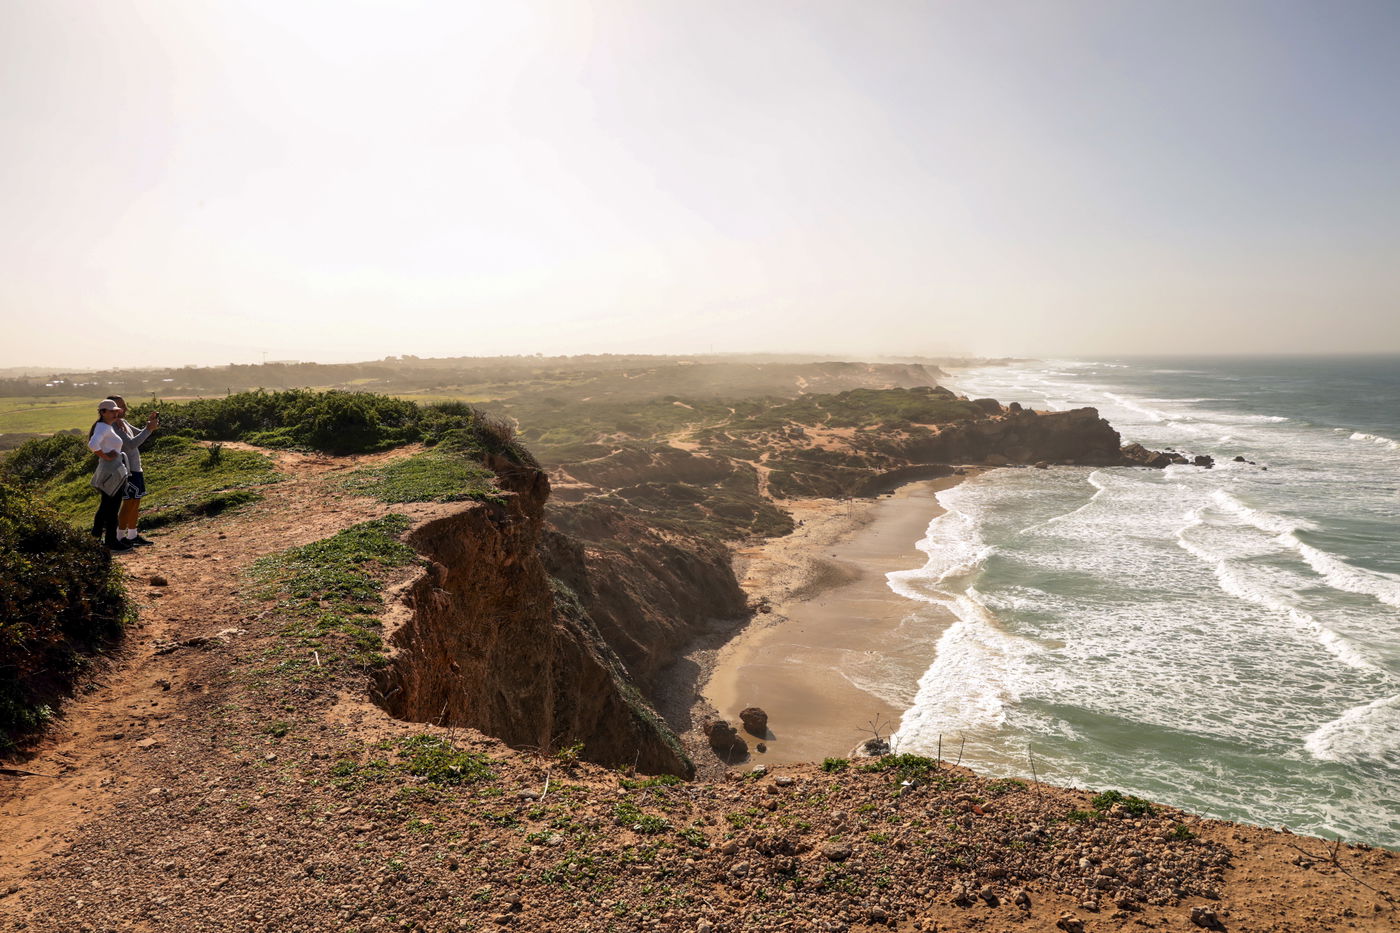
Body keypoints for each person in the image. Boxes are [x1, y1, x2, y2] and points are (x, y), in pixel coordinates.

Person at [103, 395, 159, 546]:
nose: (125, 409)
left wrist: (149, 426)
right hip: (126, 469)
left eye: (124, 405)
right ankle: (120, 536)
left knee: (135, 501)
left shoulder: (123, 422)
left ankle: (132, 535)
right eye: (121, 406)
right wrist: (148, 429)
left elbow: (140, 434)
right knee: (128, 502)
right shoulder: (114, 426)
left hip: (135, 467)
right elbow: (131, 444)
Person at [88, 399, 133, 552]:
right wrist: (106, 456)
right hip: (111, 471)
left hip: (111, 470)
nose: (115, 413)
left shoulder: (105, 426)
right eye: (112, 411)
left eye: (116, 411)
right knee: (111, 508)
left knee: (106, 507)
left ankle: (95, 539)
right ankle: (110, 541)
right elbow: (93, 444)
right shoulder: (103, 428)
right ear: (102, 412)